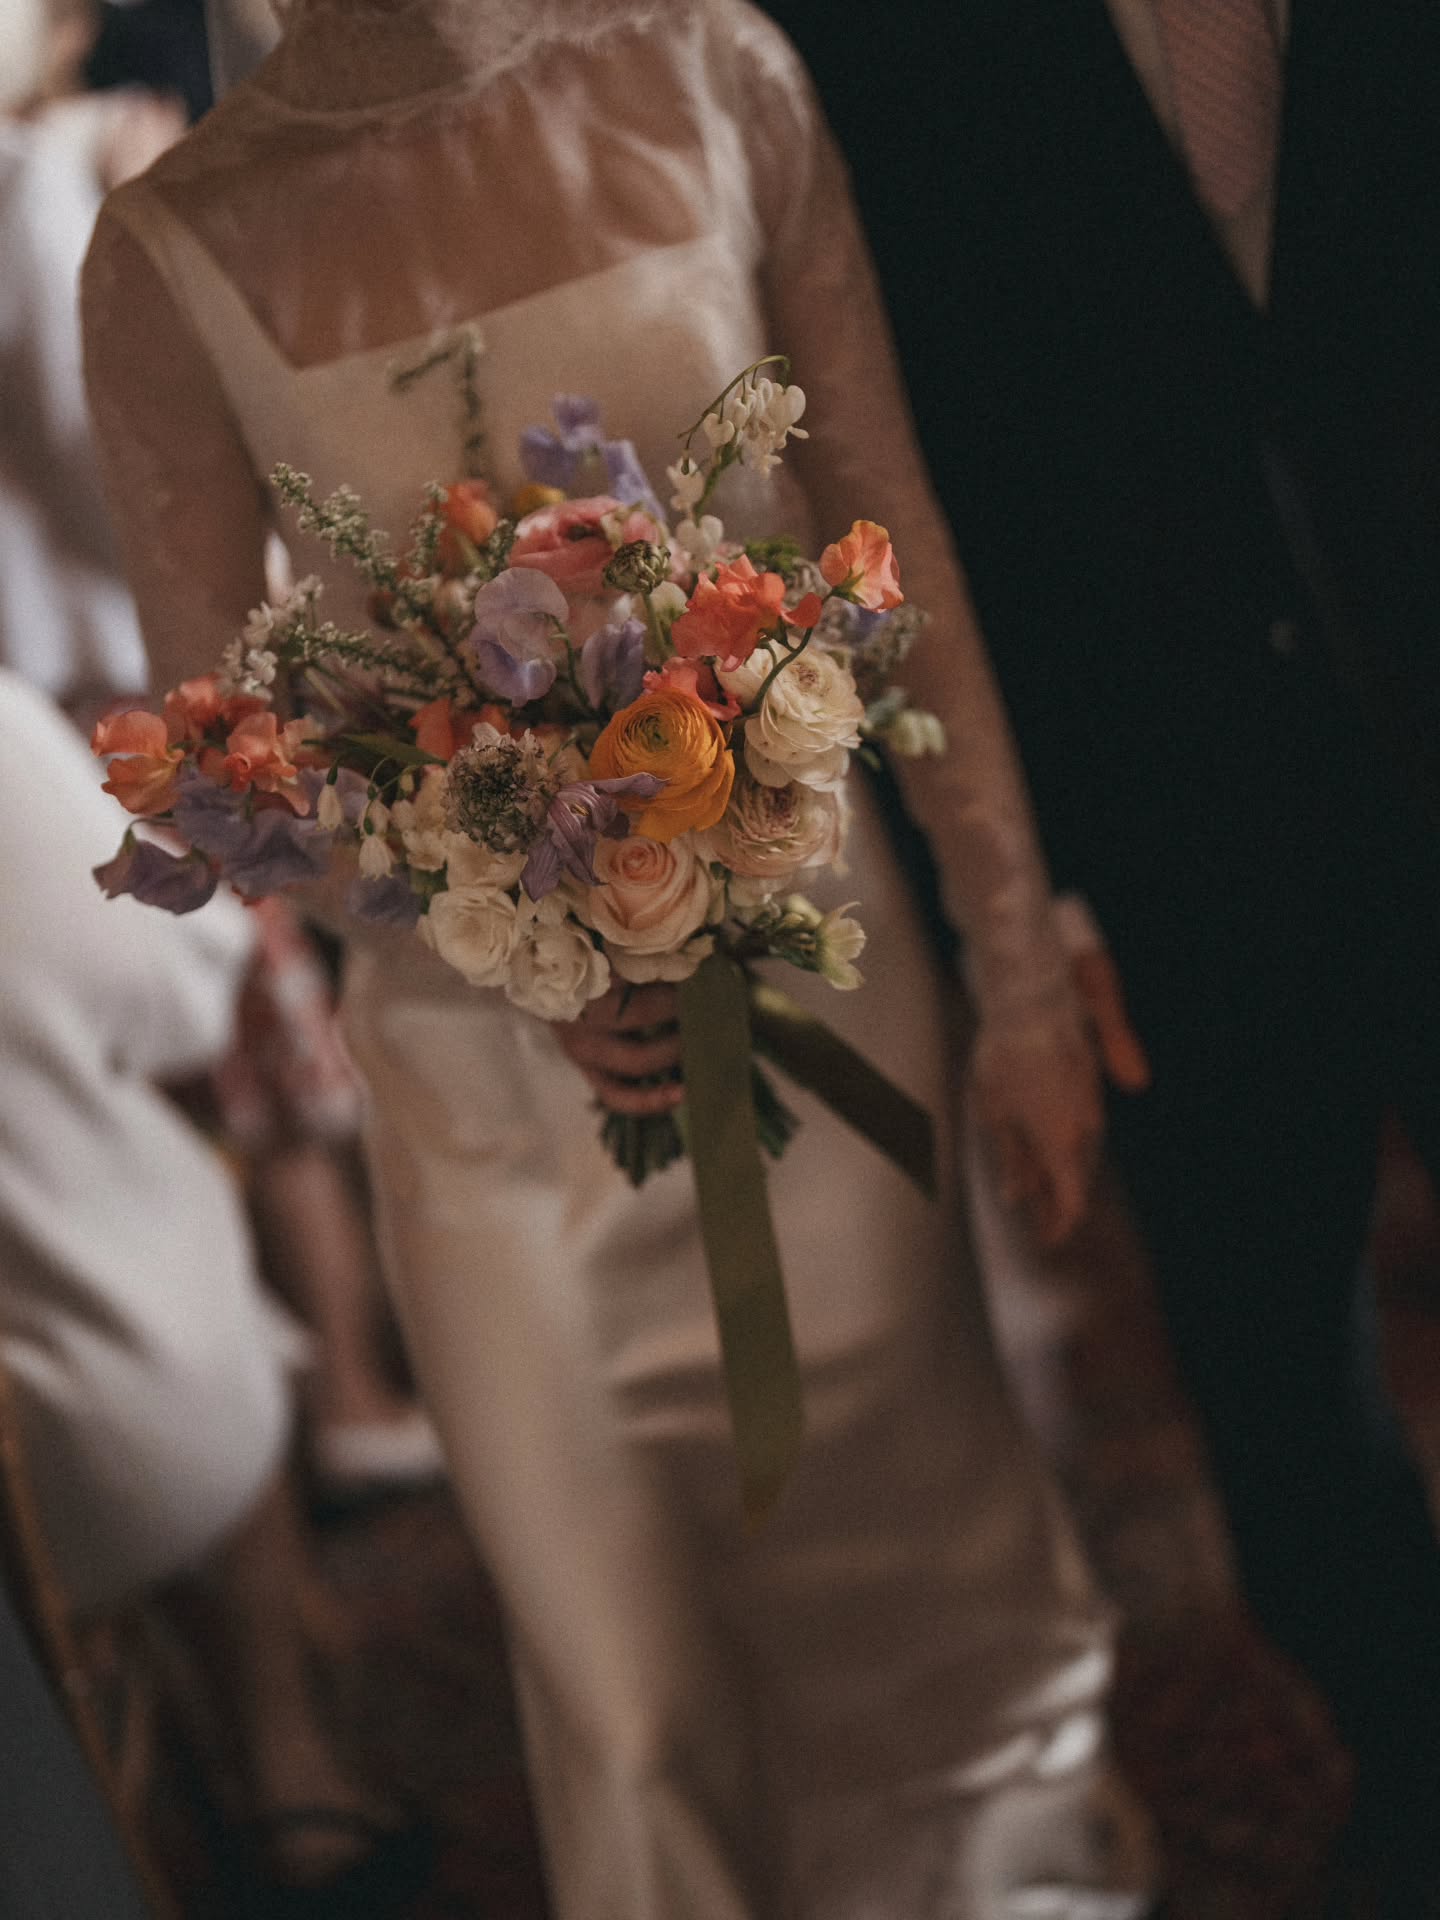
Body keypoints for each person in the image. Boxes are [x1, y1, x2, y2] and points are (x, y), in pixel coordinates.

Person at [80, 2, 1158, 1912]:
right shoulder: (167, 248)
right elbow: (232, 753)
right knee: (641, 1710)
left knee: (929, 1616)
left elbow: (890, 533)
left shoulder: (714, 70)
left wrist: (1015, 960)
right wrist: (509, 926)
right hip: (495, 1115)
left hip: (827, 1003)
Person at [768, 1, 1440, 1911]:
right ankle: (1412, 1752)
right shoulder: (861, 43)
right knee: (1276, 1382)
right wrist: (1017, 909)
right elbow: (886, 491)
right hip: (1162, 833)